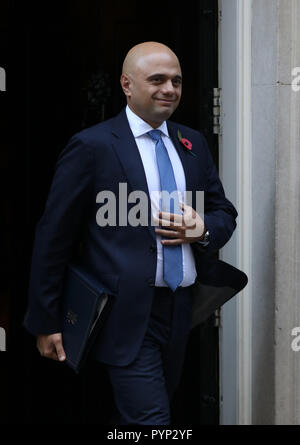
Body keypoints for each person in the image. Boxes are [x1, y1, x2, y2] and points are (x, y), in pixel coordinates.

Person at [23, 41, 247, 425]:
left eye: (176, 81)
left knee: (145, 415)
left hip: (180, 310)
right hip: (122, 314)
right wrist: (45, 319)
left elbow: (224, 211)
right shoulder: (92, 146)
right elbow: (53, 237)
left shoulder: (192, 144)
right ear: (127, 85)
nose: (170, 89)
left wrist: (204, 229)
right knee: (152, 421)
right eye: (157, 79)